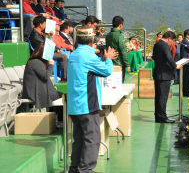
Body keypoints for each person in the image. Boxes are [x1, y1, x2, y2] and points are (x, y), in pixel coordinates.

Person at [67, 27, 117, 173]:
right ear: (91, 40)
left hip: (75, 105)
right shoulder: (88, 56)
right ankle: (85, 169)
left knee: (80, 139)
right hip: (87, 104)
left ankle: (75, 168)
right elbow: (106, 71)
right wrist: (107, 60)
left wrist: (102, 58)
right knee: (92, 138)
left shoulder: (75, 54)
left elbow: (89, 70)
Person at [152, 31, 181, 123]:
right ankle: (162, 117)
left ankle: (158, 116)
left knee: (158, 96)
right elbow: (169, 58)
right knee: (163, 97)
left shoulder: (157, 44)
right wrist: (175, 66)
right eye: (172, 41)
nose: (171, 43)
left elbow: (155, 57)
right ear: (169, 38)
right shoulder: (164, 46)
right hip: (164, 75)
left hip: (158, 73)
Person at [29, 15, 68, 81]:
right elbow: (46, 45)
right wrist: (56, 48)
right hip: (43, 54)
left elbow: (47, 43)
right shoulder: (35, 35)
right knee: (63, 57)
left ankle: (63, 77)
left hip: (46, 51)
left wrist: (56, 47)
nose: (45, 25)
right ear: (40, 25)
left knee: (63, 55)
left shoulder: (39, 33)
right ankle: (64, 79)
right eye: (45, 23)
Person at [22, 42, 61, 108]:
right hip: (37, 94)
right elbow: (45, 76)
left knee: (62, 95)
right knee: (64, 97)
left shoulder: (36, 62)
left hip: (41, 92)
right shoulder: (36, 62)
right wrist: (51, 65)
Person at [106, 16, 130, 81]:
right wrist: (127, 65)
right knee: (119, 84)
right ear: (120, 25)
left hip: (110, 63)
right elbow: (123, 52)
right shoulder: (119, 36)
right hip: (119, 64)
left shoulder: (108, 35)